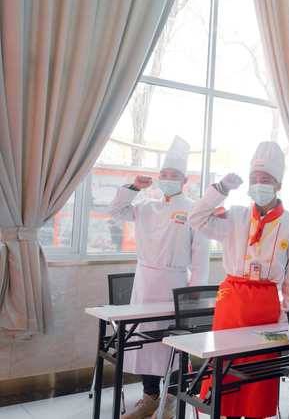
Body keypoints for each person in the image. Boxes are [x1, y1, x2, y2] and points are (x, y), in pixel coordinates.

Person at [187, 141, 289, 419]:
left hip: (266, 304)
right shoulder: (235, 215)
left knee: (256, 372)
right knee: (225, 366)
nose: (258, 185)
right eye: (253, 180)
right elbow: (196, 218)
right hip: (232, 300)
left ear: (278, 185)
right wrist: (221, 189)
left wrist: (286, 317)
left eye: (265, 180)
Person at [108, 136, 210, 419]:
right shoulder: (146, 206)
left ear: (184, 180)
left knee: (172, 342)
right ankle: (150, 396)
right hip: (144, 283)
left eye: (174, 175)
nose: (167, 179)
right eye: (163, 174)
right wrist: (133, 188)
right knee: (143, 340)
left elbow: (201, 256)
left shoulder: (193, 209)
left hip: (174, 285)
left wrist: (194, 290)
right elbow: (114, 210)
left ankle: (172, 398)